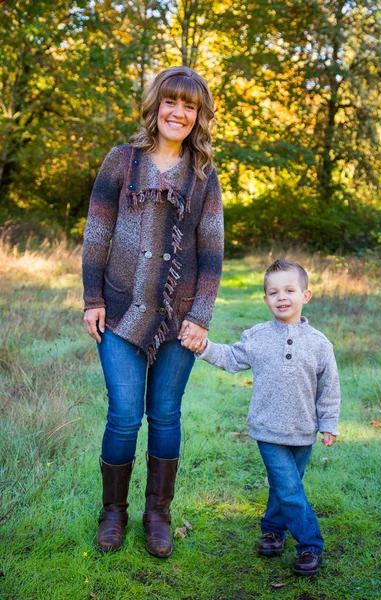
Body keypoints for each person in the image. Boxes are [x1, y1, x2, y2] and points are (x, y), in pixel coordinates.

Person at [82, 66, 224, 558]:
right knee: (123, 416)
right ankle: (113, 513)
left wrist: (200, 317)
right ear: (155, 106)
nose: (179, 113)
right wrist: (92, 300)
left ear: (198, 116)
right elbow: (97, 235)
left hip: (177, 317)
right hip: (120, 311)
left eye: (190, 106)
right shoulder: (120, 163)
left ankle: (158, 514)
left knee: (165, 415)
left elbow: (212, 255)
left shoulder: (204, 177)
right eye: (171, 102)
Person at [187, 259, 340, 576]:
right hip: (268, 429)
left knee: (286, 486)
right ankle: (311, 546)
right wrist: (203, 347)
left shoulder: (320, 344)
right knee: (289, 489)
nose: (282, 297)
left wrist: (328, 423)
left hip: (303, 431)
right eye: (274, 292)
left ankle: (273, 530)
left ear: (305, 295)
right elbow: (230, 358)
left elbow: (329, 388)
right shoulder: (257, 337)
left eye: (289, 290)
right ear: (266, 299)